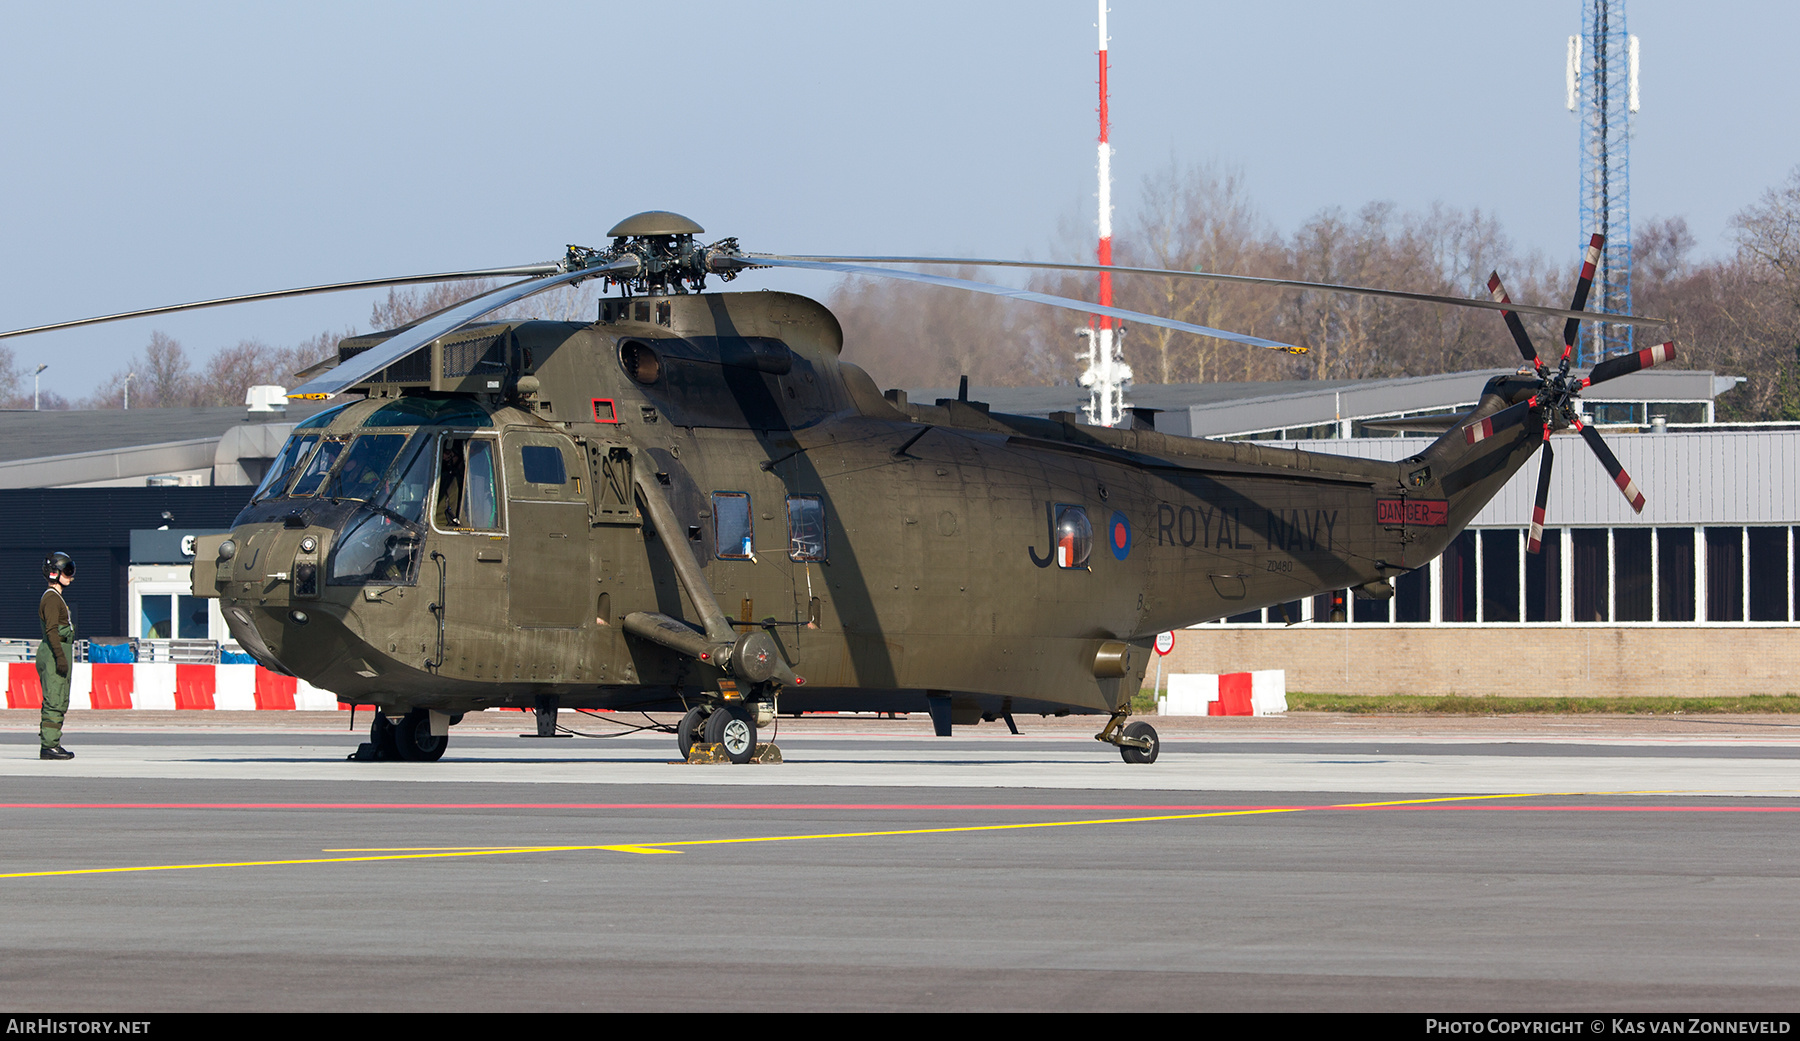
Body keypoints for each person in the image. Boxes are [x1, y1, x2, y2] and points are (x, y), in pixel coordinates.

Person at [37, 552, 76, 760]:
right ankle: (49, 746)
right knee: (55, 698)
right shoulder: (52, 599)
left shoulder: (56, 598)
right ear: (54, 574)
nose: (71, 576)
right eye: (67, 571)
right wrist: (60, 657)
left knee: (59, 697)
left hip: (58, 651)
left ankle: (52, 742)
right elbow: (52, 631)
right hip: (54, 653)